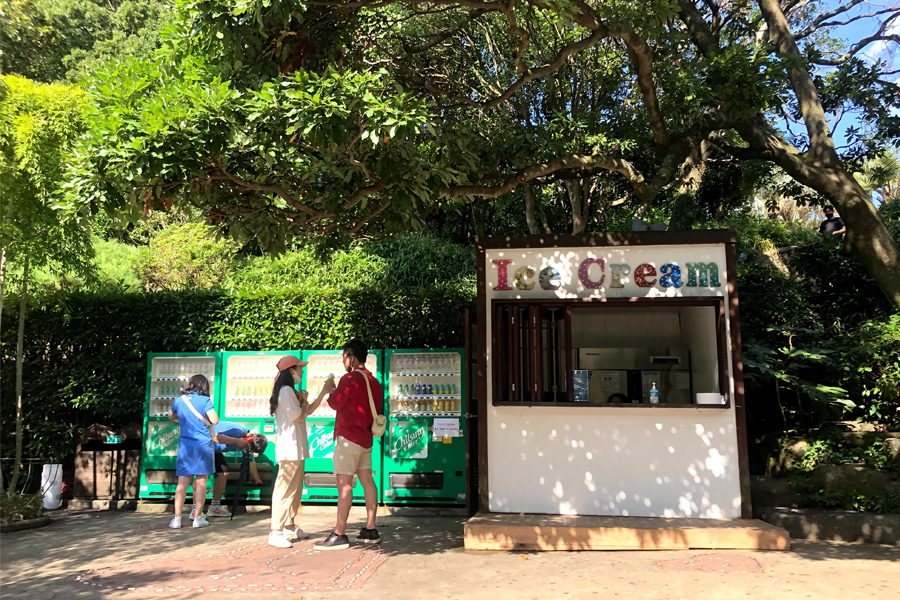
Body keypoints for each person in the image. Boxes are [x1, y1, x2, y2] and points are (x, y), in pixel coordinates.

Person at [314, 340, 384, 551]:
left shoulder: (350, 378)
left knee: (344, 485)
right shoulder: (374, 381)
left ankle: (339, 533)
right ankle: (370, 529)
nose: (343, 361)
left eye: (343, 357)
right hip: (365, 440)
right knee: (367, 481)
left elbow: (335, 403)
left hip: (347, 439)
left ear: (351, 357)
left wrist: (329, 390)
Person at [268, 355, 331, 548]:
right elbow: (297, 416)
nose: (302, 371)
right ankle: (275, 531)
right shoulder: (286, 391)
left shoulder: (290, 391)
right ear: (291, 371)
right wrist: (304, 399)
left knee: (294, 490)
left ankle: (289, 526)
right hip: (289, 448)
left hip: (296, 447)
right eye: (299, 368)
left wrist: (322, 393)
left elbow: (307, 411)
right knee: (284, 489)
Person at [168, 374, 218, 529]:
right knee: (201, 481)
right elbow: (215, 420)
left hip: (185, 446)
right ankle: (198, 518)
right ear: (204, 386)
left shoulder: (179, 400)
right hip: (202, 445)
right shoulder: (205, 401)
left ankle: (176, 519)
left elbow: (171, 417)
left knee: (182, 483)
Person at [194, 425, 267, 519]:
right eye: (251, 449)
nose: (250, 451)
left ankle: (214, 508)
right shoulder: (238, 431)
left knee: (224, 473)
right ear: (250, 442)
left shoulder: (247, 444)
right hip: (202, 444)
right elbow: (216, 436)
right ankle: (194, 510)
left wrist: (258, 479)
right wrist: (236, 441)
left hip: (214, 450)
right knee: (201, 477)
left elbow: (251, 462)